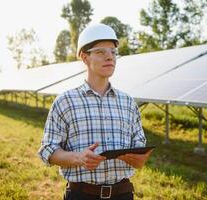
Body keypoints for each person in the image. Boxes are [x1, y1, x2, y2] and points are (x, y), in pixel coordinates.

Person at [38, 23, 153, 200]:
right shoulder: (65, 101)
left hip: (123, 194)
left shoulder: (128, 102)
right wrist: (78, 158)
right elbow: (48, 150)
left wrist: (139, 158)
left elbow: (139, 144)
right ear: (85, 57)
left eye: (113, 52)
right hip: (81, 195)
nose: (110, 57)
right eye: (101, 52)